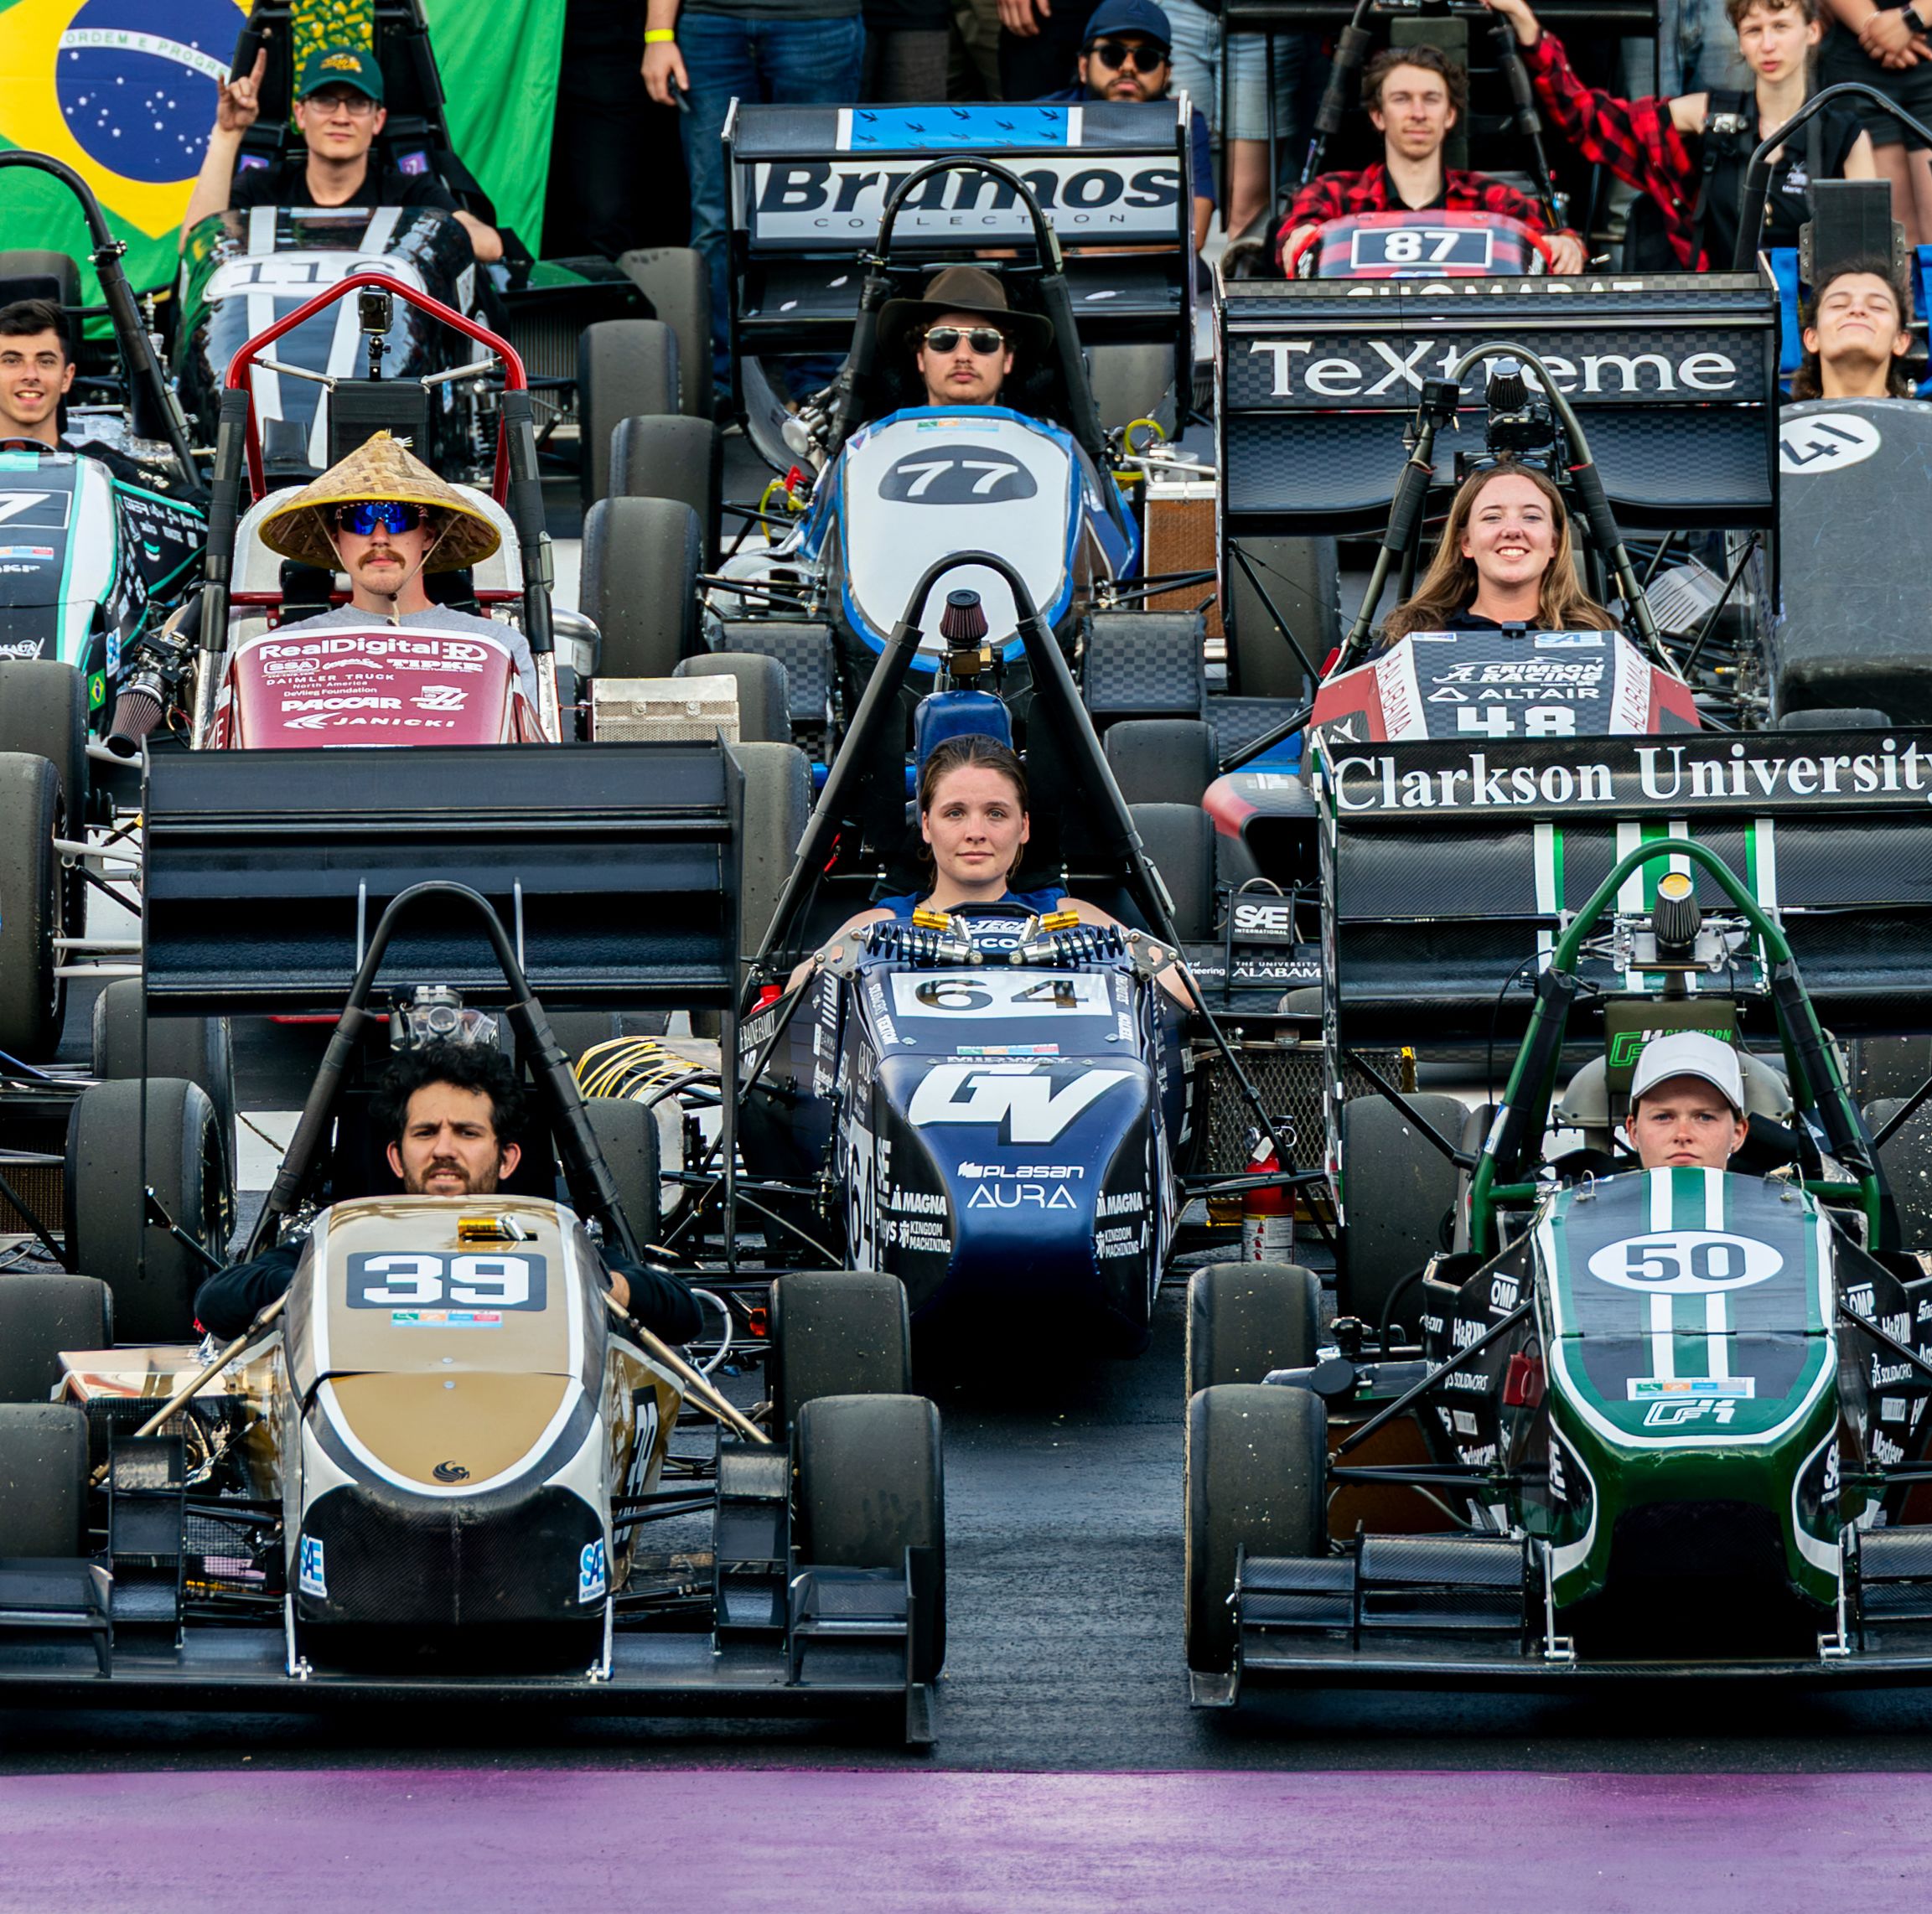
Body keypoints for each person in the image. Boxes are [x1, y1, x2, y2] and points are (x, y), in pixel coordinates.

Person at [194, 1043, 704, 1342]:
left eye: (466, 1132)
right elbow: (216, 1303)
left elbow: (682, 1311)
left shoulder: (542, 1234)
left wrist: (603, 1287)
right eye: (424, 1133)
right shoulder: (351, 1237)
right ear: (396, 1157)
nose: (443, 1149)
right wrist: (305, 1283)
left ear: (507, 1159)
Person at [791, 734, 1194, 1001]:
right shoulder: (878, 926)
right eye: (955, 813)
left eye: (996, 813)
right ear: (927, 826)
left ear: (1024, 827)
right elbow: (795, 1002)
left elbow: (1183, 994)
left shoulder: (1069, 917)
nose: (976, 832)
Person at [1484, 0, 1875, 268]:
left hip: (1812, 327)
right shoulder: (1704, 113)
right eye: (1753, 29)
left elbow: (1868, 259)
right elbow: (1589, 119)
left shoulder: (1845, 134)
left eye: (1781, 26)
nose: (1768, 44)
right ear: (1739, 39)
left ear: (1813, 31)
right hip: (1721, 321)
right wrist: (1528, 27)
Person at [641, 0, 866, 406]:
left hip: (817, 20)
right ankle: (719, 382)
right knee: (716, 212)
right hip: (711, 19)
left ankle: (816, 384)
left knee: (817, 210)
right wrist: (658, 33)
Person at [256, 428, 540, 709]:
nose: (380, 538)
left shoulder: (499, 647)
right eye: (359, 518)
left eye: (398, 518)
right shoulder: (278, 652)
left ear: (428, 535)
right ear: (336, 539)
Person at [1277, 45, 1586, 275]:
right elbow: (1291, 237)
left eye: (1431, 98)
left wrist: (1568, 246)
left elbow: (1552, 239)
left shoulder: (1492, 199)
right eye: (1401, 99)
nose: (1418, 113)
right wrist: (1299, 238)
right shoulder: (1332, 193)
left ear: (1450, 114)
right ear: (1378, 115)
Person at [180, 44, 502, 262]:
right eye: (325, 100)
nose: (341, 117)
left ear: (378, 120)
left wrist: (419, 237)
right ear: (300, 114)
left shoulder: (409, 194)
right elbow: (194, 246)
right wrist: (227, 134)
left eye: (358, 103)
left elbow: (489, 244)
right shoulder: (261, 189)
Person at [1037, 0, 1215, 249]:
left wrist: (1085, 252)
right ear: (1084, 66)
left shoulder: (1182, 120)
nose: (1128, 67)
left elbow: (1194, 231)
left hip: (1150, 273)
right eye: (1113, 54)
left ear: (1167, 74)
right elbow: (992, 237)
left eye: (1146, 58)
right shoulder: (1042, 116)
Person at [1380, 460, 1616, 642]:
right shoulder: (1412, 635)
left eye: (1531, 517)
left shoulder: (1599, 635)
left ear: (1554, 543)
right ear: (1466, 543)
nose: (1512, 530)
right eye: (1492, 517)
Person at [0, 297, 160, 488]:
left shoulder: (109, 472)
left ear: (67, 377)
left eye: (45, 362)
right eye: (12, 361)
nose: (30, 375)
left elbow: (193, 504)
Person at [1817, 0, 1932, 246]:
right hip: (1856, 51)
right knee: (1893, 238)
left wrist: (1913, 17)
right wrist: (1874, 27)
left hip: (1924, 47)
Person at [877, 266, 1054, 409]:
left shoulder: (1049, 445)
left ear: (1008, 359)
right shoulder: (875, 443)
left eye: (984, 340)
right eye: (943, 339)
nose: (963, 356)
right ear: (921, 357)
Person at [1790, 254, 1919, 396]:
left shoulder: (1924, 418)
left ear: (1900, 341)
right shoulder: (1781, 417)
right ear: (1812, 338)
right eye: (1838, 305)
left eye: (1877, 307)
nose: (1857, 309)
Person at [1625, 1031, 1750, 1170]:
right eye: (1663, 1117)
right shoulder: (1599, 1191)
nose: (1682, 1135)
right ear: (1633, 1131)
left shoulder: (1775, 1192)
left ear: (1737, 1133)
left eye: (1705, 1117)